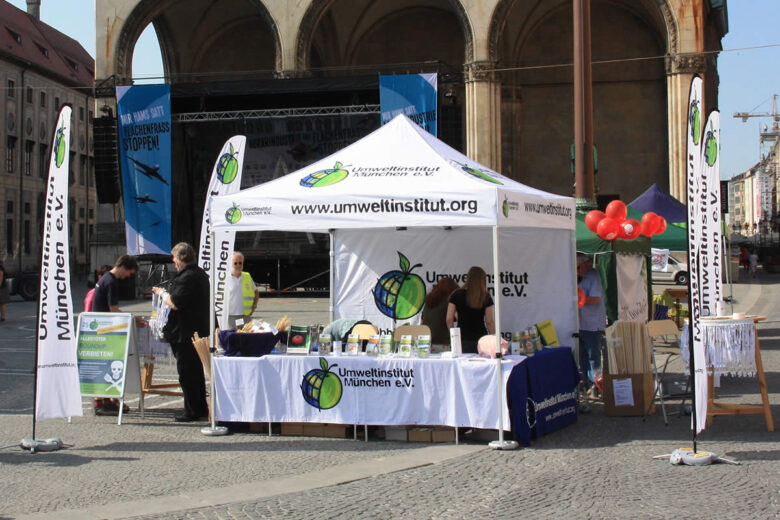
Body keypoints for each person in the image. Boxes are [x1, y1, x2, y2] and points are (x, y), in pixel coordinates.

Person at [153, 242, 210, 422]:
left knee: (187, 373)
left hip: (185, 332)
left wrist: (162, 294)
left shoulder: (187, 277)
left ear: (181, 258)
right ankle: (199, 407)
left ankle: (192, 410)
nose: (173, 261)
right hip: (196, 330)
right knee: (195, 372)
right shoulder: (199, 273)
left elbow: (176, 303)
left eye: (175, 258)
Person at [91, 256, 140, 415]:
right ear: (124, 267)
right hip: (106, 329)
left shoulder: (105, 278)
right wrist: (133, 318)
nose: (128, 277)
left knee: (105, 364)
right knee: (108, 364)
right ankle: (103, 401)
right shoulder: (111, 282)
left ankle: (107, 399)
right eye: (129, 273)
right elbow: (113, 309)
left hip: (99, 327)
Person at [446, 266, 495, 354]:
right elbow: (489, 321)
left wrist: (454, 336)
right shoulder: (486, 296)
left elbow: (449, 319)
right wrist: (494, 337)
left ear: (468, 278)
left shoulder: (456, 294)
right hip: (481, 339)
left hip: (462, 339)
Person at [577, 254, 606, 398]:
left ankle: (596, 385)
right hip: (577, 324)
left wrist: (577, 300)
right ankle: (588, 386)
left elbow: (596, 298)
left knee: (593, 356)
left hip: (592, 324)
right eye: (585, 265)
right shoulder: (572, 275)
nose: (588, 267)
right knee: (582, 357)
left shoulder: (593, 276)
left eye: (588, 264)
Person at [421, 276, 459, 349]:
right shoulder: (449, 301)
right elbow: (455, 319)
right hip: (444, 342)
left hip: (427, 343)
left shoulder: (428, 302)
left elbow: (422, 322)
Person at [227, 252, 259, 329]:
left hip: (245, 316)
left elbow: (256, 292)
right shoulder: (225, 278)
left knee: (246, 339)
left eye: (240, 263)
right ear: (230, 264)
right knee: (233, 339)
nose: (238, 265)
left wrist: (254, 306)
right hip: (230, 317)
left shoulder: (247, 276)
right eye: (235, 263)